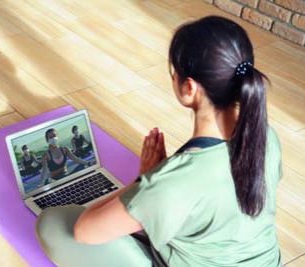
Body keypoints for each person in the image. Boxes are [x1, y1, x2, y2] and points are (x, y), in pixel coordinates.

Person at [36, 16, 282, 267]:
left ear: (189, 88)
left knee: (55, 224)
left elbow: (84, 231)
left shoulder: (173, 182)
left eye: (173, 73)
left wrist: (144, 181)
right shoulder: (266, 137)